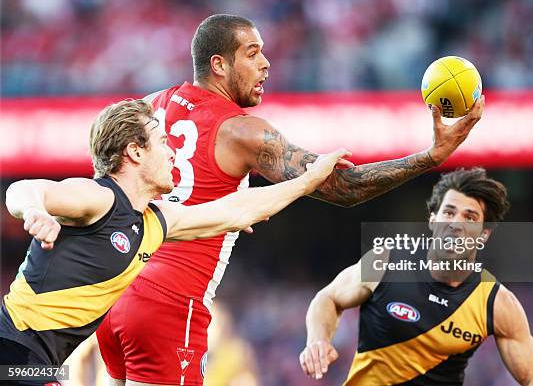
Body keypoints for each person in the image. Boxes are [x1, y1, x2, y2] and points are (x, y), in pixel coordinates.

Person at [97, 14, 485, 386]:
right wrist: (431, 156)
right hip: (170, 302)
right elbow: (345, 187)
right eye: (251, 53)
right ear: (218, 64)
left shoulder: (150, 105)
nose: (265, 64)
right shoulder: (242, 132)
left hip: (116, 287)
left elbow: (104, 168)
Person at [0, 99, 347, 385]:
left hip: (36, 364)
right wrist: (34, 210)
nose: (173, 154)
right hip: (13, 352)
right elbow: (24, 189)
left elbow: (235, 210)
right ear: (135, 152)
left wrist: (310, 180)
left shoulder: (155, 220)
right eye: (163, 143)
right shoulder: (99, 197)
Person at [299, 168, 533, 386]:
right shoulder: (386, 262)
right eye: (449, 212)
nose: (456, 223)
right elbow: (328, 298)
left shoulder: (496, 303)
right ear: (433, 220)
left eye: (470, 217)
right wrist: (317, 340)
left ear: (483, 234)